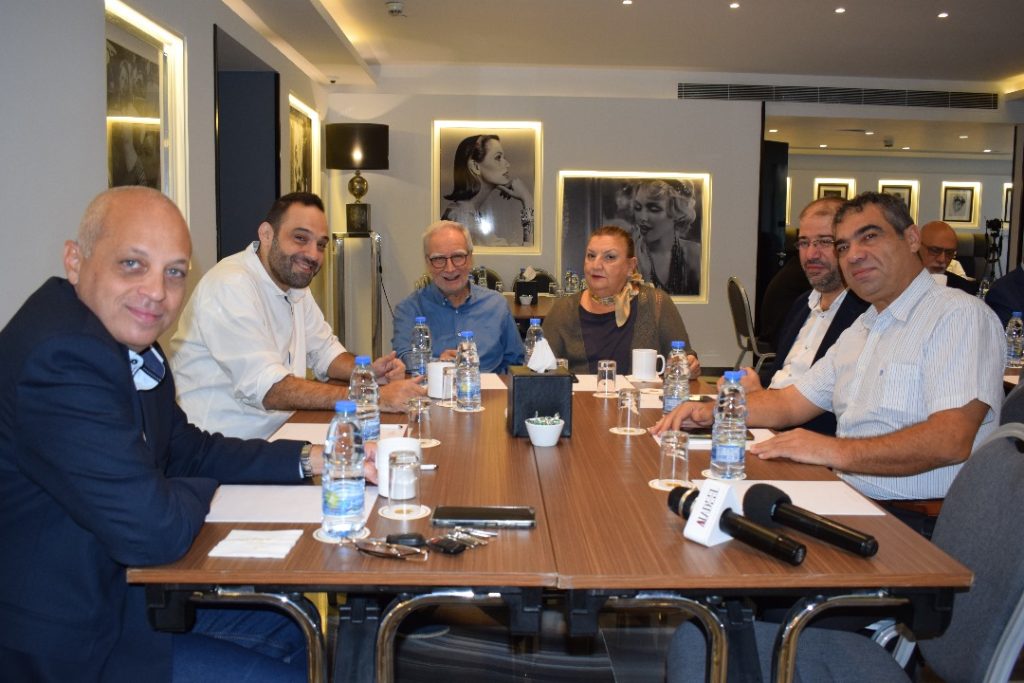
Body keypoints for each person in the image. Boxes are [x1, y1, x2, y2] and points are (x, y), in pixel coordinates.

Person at [0, 187, 317, 681]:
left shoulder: (129, 342)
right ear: (75, 260)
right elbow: (155, 532)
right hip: (70, 639)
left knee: (294, 623)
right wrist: (199, 490)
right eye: (132, 264)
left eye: (174, 272)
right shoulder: (61, 357)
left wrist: (309, 459)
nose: (156, 292)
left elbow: (189, 449)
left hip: (124, 595)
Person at [654, 192, 1003, 532]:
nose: (854, 255)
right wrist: (712, 411)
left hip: (919, 523)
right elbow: (789, 404)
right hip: (849, 500)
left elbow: (950, 440)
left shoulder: (958, 316)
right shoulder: (862, 328)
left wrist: (830, 450)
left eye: (869, 236)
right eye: (844, 246)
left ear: (911, 238)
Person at [170, 192, 424, 440]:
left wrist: (367, 372)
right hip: (221, 446)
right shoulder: (230, 285)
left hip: (281, 432)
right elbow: (269, 389)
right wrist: (370, 397)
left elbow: (326, 353)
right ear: (267, 235)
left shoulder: (294, 286)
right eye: (300, 238)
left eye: (321, 245)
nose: (313, 255)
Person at [748, 198, 870, 435]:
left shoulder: (865, 316)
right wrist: (752, 388)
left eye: (824, 242)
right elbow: (781, 375)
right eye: (804, 242)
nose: (811, 254)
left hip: (805, 439)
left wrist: (759, 400)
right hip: (766, 424)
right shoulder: (802, 304)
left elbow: (836, 412)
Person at [542, 225, 700, 377]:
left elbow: (684, 359)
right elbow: (539, 373)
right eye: (591, 256)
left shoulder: (657, 303)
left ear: (630, 266)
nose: (596, 265)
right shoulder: (563, 310)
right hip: (580, 396)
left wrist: (689, 366)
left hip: (641, 396)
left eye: (609, 257)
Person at [392, 220, 524, 373]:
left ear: (470, 259)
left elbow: (516, 362)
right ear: (427, 263)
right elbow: (402, 359)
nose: (450, 268)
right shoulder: (409, 309)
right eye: (439, 259)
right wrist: (437, 364)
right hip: (432, 386)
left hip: (488, 386)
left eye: (458, 257)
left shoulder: (497, 305)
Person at [441, 134, 534, 248]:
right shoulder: (464, 220)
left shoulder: (464, 212)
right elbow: (526, 253)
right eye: (498, 157)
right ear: (475, 166)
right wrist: (527, 200)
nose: (507, 164)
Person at [633, 179, 701, 296]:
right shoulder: (628, 256)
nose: (642, 218)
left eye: (654, 209)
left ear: (677, 212)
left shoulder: (695, 255)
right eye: (638, 207)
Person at [919, 220, 978, 294]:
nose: (942, 259)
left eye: (949, 253)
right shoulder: (905, 282)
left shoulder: (963, 289)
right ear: (917, 246)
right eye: (935, 250)